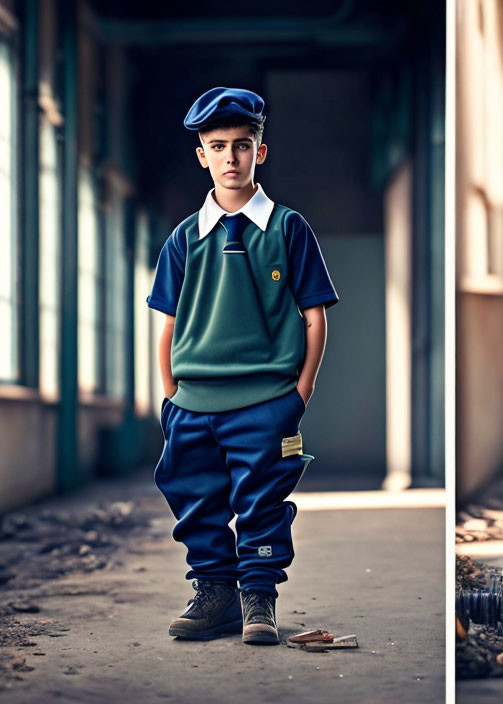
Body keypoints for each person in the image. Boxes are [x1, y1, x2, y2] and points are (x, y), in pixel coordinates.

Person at [147, 87, 338, 645]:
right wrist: (170, 394)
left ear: (261, 152)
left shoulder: (288, 229)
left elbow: (314, 318)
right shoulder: (184, 239)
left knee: (262, 502)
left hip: (266, 401)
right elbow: (170, 323)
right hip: (192, 402)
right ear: (202, 156)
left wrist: (297, 395)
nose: (231, 157)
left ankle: (259, 598)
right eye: (218, 146)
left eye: (243, 144)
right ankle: (215, 594)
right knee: (194, 498)